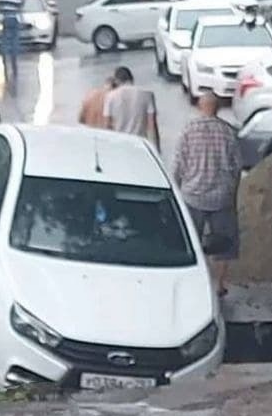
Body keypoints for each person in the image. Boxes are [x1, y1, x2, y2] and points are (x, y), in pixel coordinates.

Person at [172, 90, 242, 297]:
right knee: (225, 244)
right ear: (218, 108)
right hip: (222, 198)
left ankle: (196, 284)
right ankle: (219, 285)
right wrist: (233, 193)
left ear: (200, 107)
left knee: (191, 243)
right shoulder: (228, 132)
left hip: (192, 196)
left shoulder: (188, 131)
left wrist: (175, 192)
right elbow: (236, 167)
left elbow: (178, 165)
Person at [103, 66, 160, 150]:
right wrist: (157, 148)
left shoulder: (110, 97)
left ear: (116, 81)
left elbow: (107, 126)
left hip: (120, 145)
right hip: (140, 144)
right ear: (132, 78)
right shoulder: (147, 94)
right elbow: (152, 125)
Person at [0, 0, 24, 88]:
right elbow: (21, 5)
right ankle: (14, 62)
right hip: (14, 19)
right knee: (14, 40)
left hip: (5, 19)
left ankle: (4, 58)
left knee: (5, 39)